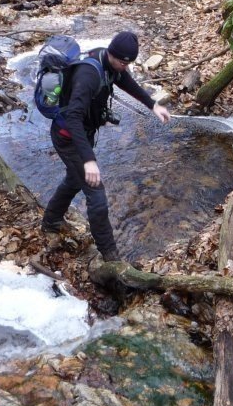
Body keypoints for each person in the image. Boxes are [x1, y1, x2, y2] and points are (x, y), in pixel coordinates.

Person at [40, 31, 171, 262]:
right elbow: (73, 118)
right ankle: (111, 256)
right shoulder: (88, 76)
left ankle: (51, 221)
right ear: (111, 53)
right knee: (96, 194)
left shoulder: (112, 64)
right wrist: (89, 160)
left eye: (129, 63)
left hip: (83, 134)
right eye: (122, 62)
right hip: (67, 136)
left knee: (73, 180)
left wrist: (153, 105)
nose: (125, 67)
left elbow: (126, 82)